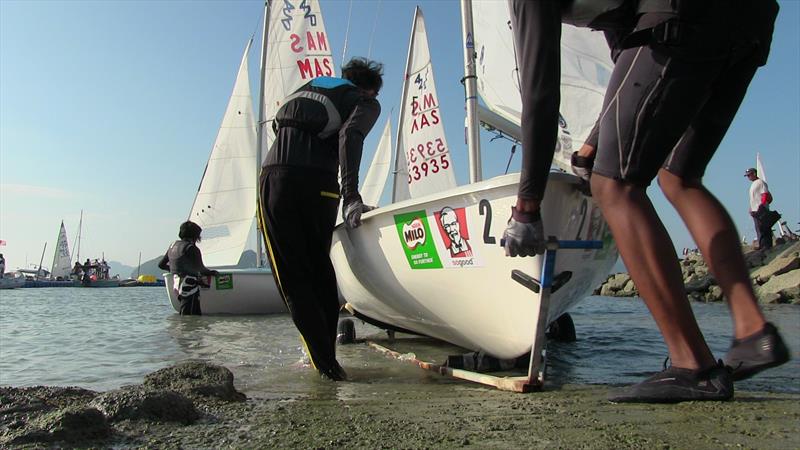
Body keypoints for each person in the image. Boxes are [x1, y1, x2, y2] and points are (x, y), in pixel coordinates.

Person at [504, 0, 788, 403]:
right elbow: (630, 64)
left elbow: (539, 94)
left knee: (615, 186)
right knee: (679, 177)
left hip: (679, 18)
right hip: (749, 22)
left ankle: (694, 366)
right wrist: (593, 143)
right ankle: (753, 332)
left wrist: (527, 205)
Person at [258, 57, 383, 381]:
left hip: (275, 180)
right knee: (319, 271)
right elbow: (351, 135)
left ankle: (324, 363)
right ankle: (327, 362)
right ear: (370, 88)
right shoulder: (365, 101)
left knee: (292, 277)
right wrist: (351, 196)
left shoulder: (302, 91)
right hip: (322, 187)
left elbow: (278, 129)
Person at [158, 221, 218, 315]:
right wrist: (212, 273)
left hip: (176, 285)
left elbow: (161, 265)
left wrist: (175, 270)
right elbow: (201, 269)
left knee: (186, 313)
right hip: (189, 286)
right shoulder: (192, 248)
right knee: (191, 316)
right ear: (195, 236)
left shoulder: (172, 246)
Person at [745, 167, 773, 250]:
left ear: (754, 174)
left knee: (764, 228)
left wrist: (762, 205)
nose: (748, 177)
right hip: (755, 209)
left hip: (761, 209)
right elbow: (753, 198)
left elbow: (764, 194)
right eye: (747, 176)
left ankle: (767, 246)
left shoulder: (760, 182)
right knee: (758, 228)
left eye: (749, 175)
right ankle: (762, 245)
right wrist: (751, 208)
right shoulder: (753, 184)